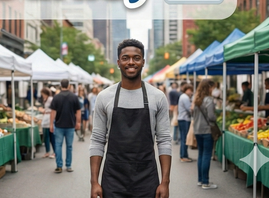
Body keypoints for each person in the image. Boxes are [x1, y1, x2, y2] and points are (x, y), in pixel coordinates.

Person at [90, 39, 172, 198]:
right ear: (118, 62)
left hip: (147, 178)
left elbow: (164, 140)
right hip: (113, 178)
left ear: (143, 62)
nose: (131, 62)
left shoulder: (157, 97)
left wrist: (165, 182)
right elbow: (98, 140)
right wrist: (94, 182)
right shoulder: (104, 97)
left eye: (136, 58)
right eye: (126, 58)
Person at [50, 79, 81, 173]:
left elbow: (53, 112)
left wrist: (51, 124)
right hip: (70, 125)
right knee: (69, 146)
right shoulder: (74, 97)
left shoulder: (56, 97)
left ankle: (59, 166)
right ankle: (68, 166)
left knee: (58, 145)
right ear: (68, 85)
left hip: (59, 125)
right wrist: (78, 122)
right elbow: (78, 111)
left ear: (60, 85)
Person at [192, 80, 218, 189]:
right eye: (212, 87)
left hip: (197, 130)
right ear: (208, 88)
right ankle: (206, 182)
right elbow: (211, 117)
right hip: (207, 130)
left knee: (201, 155)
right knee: (207, 155)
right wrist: (216, 118)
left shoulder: (196, 100)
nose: (213, 89)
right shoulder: (209, 100)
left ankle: (200, 180)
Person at [177, 83, 194, 162]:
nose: (191, 92)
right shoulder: (185, 97)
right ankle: (184, 156)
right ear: (187, 90)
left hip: (182, 119)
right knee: (184, 139)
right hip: (184, 119)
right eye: (190, 90)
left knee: (183, 138)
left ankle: (184, 155)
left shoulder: (183, 96)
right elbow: (189, 109)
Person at [40, 88, 55, 158]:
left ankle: (54, 152)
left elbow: (52, 110)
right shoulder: (46, 99)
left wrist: (43, 111)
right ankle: (47, 151)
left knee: (51, 137)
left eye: (43, 94)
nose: (42, 95)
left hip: (49, 119)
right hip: (46, 119)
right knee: (46, 136)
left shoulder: (50, 99)